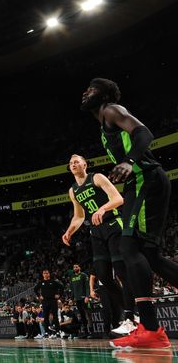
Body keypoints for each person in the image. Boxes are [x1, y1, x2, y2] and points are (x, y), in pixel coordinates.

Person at [81, 78, 178, 349]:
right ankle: (151, 330)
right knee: (150, 255)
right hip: (138, 184)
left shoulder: (112, 110)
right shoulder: (103, 127)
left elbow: (144, 133)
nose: (85, 93)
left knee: (129, 247)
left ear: (104, 95)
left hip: (146, 179)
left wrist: (129, 160)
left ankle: (150, 328)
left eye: (91, 89)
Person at [61, 154, 135, 336]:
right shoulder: (73, 190)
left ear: (85, 164)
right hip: (96, 231)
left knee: (121, 271)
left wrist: (103, 208)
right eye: (71, 163)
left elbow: (118, 199)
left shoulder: (97, 177)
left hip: (112, 224)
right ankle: (131, 313)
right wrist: (70, 230)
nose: (73, 164)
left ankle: (131, 317)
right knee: (103, 275)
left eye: (76, 161)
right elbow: (79, 216)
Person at [34, 270, 63, 338]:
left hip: (53, 300)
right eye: (44, 273)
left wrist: (59, 295)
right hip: (45, 301)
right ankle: (47, 332)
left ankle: (58, 331)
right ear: (43, 274)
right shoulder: (41, 283)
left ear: (49, 274)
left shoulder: (53, 282)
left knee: (55, 316)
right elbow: (35, 289)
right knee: (46, 316)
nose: (46, 274)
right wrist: (39, 296)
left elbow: (62, 287)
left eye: (47, 273)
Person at [67, 264, 91, 338]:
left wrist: (87, 296)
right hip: (77, 299)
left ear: (79, 268)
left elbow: (87, 286)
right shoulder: (72, 277)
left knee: (87, 314)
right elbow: (72, 289)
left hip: (84, 298)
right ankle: (85, 332)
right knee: (82, 315)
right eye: (74, 267)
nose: (75, 268)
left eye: (76, 267)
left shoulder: (84, 275)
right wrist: (71, 298)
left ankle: (91, 330)